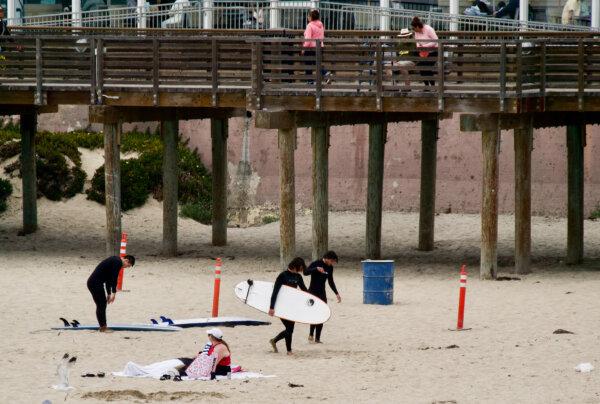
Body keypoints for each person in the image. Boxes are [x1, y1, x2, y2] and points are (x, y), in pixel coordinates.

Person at [269, 257, 308, 355]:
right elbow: (275, 292)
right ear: (295, 266)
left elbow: (304, 290)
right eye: (300, 267)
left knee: (290, 329)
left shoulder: (298, 277)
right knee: (289, 329)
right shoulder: (282, 276)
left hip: (292, 306)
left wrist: (313, 299)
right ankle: (288, 350)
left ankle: (276, 342)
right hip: (281, 306)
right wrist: (272, 307)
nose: (301, 270)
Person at [86, 254, 135, 332]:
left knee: (102, 304)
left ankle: (103, 326)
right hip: (95, 283)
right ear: (126, 260)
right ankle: (103, 328)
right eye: (128, 266)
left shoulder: (115, 261)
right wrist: (114, 294)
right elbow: (114, 278)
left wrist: (108, 294)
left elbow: (109, 280)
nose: (125, 267)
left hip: (95, 283)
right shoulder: (117, 262)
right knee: (101, 304)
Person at [304, 251, 341, 343]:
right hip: (312, 292)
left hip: (322, 293)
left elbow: (330, 281)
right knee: (314, 314)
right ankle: (311, 334)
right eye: (332, 261)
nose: (332, 263)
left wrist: (336, 293)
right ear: (328, 258)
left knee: (322, 314)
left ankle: (317, 338)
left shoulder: (330, 267)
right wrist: (316, 269)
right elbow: (305, 272)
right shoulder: (316, 263)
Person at [302, 9, 331, 84]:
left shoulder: (309, 26)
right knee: (316, 63)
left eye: (308, 16)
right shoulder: (321, 24)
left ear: (311, 17)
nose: (308, 17)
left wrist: (304, 48)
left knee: (309, 63)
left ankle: (310, 80)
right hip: (319, 47)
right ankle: (325, 73)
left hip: (311, 48)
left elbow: (308, 39)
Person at [411, 16, 438, 88]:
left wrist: (425, 46)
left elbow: (436, 40)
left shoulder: (429, 29)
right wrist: (419, 47)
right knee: (421, 67)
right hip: (422, 51)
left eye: (413, 28)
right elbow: (417, 41)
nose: (413, 30)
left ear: (417, 26)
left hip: (433, 51)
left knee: (427, 68)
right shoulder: (416, 32)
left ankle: (432, 86)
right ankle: (426, 86)